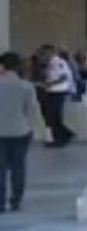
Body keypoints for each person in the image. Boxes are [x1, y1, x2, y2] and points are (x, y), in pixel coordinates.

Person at [0, 52, 36, 212]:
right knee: (18, 167)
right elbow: (32, 112)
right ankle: (16, 200)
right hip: (20, 131)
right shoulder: (26, 86)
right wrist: (31, 128)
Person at [39, 44, 75, 148]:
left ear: (50, 53)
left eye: (43, 54)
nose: (42, 56)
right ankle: (64, 135)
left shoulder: (59, 62)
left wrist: (50, 84)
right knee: (52, 116)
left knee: (52, 116)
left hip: (58, 91)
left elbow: (63, 77)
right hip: (51, 91)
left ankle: (60, 138)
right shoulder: (49, 63)